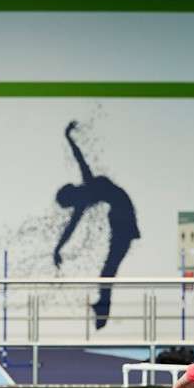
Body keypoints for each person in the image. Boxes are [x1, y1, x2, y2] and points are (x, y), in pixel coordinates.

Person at [52, 121, 140, 330]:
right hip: (121, 219)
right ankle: (102, 309)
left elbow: (79, 158)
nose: (72, 207)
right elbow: (70, 228)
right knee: (107, 271)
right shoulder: (85, 194)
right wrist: (57, 248)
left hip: (123, 220)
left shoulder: (87, 189)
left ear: (72, 193)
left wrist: (69, 138)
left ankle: (103, 312)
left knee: (108, 271)